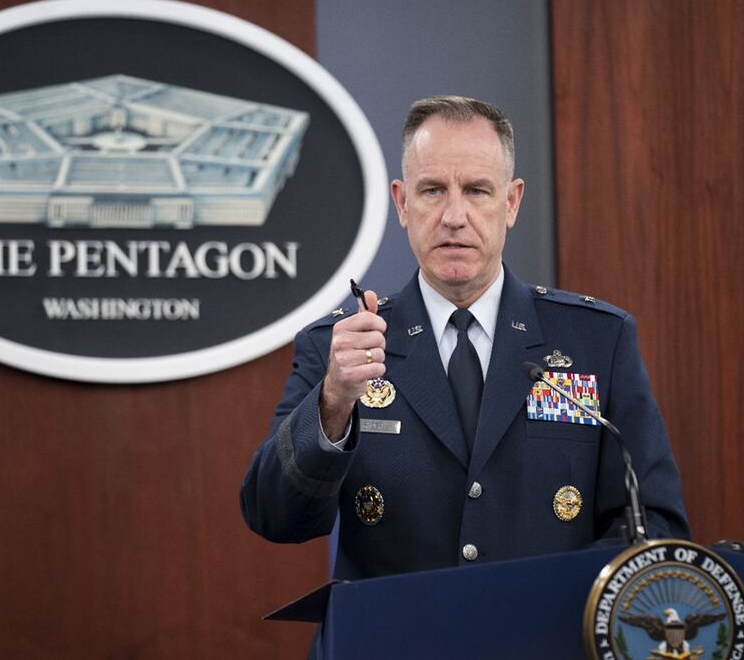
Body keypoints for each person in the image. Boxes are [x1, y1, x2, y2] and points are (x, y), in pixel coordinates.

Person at [241, 95, 689, 581]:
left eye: (476, 190)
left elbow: (654, 524)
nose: (454, 216)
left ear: (512, 202)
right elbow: (274, 517)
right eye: (433, 190)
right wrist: (333, 402)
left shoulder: (597, 341)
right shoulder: (342, 346)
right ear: (402, 203)